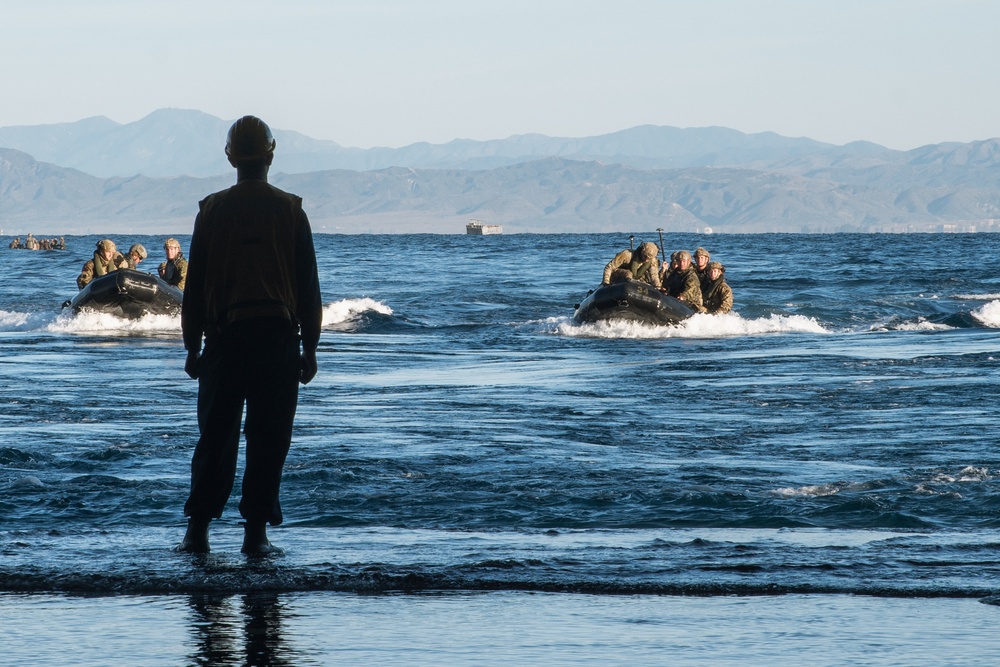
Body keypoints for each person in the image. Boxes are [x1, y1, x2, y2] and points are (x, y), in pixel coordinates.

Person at [176, 115, 322, 556]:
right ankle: (255, 535)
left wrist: (191, 346)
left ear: (229, 157)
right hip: (276, 341)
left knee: (215, 437)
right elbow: (308, 287)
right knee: (269, 438)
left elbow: (195, 287)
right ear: (270, 155)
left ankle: (197, 533)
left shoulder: (212, 210)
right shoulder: (291, 210)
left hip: (224, 341)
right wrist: (310, 349)